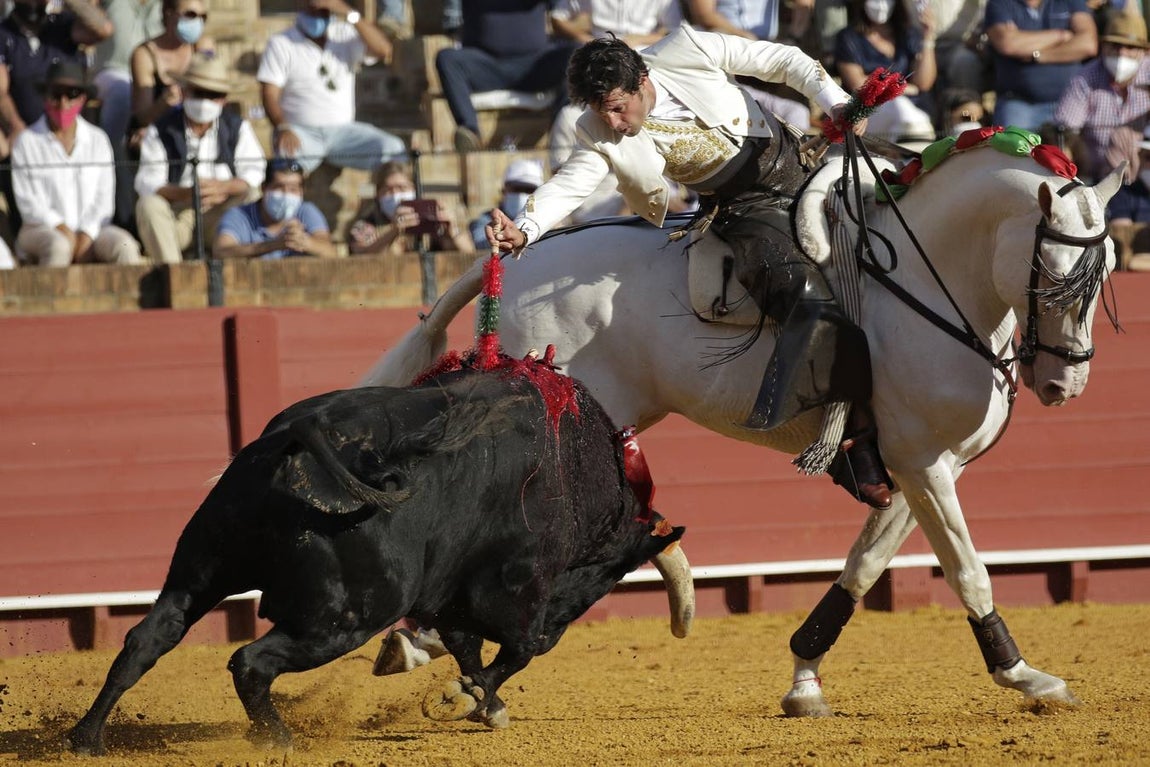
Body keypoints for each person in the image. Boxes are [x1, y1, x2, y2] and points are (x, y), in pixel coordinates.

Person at [486, 30, 894, 510]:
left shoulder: (686, 48)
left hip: (802, 161)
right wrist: (528, 226)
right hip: (746, 208)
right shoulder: (597, 132)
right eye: (603, 113)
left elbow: (781, 59)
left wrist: (834, 100)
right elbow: (576, 181)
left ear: (642, 80)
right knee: (800, 297)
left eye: (619, 107)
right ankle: (854, 443)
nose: (614, 123)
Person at [10, 60, 143, 266]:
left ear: (82, 98)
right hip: (39, 228)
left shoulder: (98, 140)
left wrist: (86, 235)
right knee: (58, 247)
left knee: (125, 247)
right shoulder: (27, 141)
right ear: (45, 96)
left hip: (94, 229)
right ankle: (52, 299)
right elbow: (29, 203)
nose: (63, 103)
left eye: (71, 94)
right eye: (56, 94)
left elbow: (104, 200)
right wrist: (61, 228)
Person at [134, 56, 265, 263]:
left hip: (222, 215)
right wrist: (186, 193)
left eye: (213, 95)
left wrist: (224, 187)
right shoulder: (161, 130)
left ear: (223, 99)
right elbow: (147, 183)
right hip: (178, 216)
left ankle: (238, 274)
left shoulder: (237, 127)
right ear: (184, 92)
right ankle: (175, 277)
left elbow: (254, 172)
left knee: (252, 194)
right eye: (199, 93)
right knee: (148, 205)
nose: (205, 101)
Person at [0, 0, 113, 234]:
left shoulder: (62, 25)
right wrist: (16, 127)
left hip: (68, 132)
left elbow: (103, 29)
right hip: (23, 134)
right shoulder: (4, 33)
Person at [258, 0, 406, 175]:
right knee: (286, 161)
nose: (319, 16)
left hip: (344, 133)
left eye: (325, 11)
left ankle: (389, 197)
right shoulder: (281, 42)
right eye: (313, 10)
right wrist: (283, 127)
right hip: (302, 133)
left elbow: (384, 50)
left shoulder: (344, 33)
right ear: (301, 6)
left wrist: (349, 13)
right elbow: (269, 93)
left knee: (394, 149)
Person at [436, 0, 579, 153]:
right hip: (486, 65)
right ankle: (470, 131)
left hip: (534, 65)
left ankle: (560, 128)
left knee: (575, 55)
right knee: (447, 59)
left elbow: (561, 9)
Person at [687, 0, 818, 129]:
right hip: (723, 45)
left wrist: (794, 36)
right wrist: (744, 37)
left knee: (794, 76)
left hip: (766, 47)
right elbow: (704, 15)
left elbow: (804, 3)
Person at [1055, 11, 1150, 184]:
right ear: (1102, 46)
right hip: (1096, 177)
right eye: (1115, 45)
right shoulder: (1084, 78)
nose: (1122, 53)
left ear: (1145, 51)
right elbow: (1065, 131)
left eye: (1130, 47)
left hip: (1145, 179)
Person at [984, 0, 1097, 131]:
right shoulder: (1000, 3)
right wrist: (1060, 35)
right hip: (1018, 103)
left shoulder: (1070, 2)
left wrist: (1037, 56)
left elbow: (1088, 44)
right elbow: (1008, 43)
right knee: (1012, 148)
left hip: (1070, 102)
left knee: (1067, 149)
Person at [833, 0, 938, 142]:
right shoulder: (848, 37)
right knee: (900, 109)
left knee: (908, 117)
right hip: (870, 111)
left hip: (914, 110)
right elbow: (858, 84)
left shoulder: (908, 34)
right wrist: (903, 87)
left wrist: (928, 36)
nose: (881, 3)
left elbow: (924, 83)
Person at [128, 0, 216, 144]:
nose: (197, 22)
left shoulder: (203, 47)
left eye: (203, 17)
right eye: (190, 14)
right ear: (169, 13)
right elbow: (142, 118)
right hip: (160, 134)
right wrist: (164, 102)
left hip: (196, 131)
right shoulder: (144, 55)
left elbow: (214, 95)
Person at [212, 158, 336, 260]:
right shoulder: (238, 215)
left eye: (293, 189)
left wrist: (305, 242)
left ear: (302, 191)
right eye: (279, 187)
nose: (286, 194)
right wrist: (273, 245)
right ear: (264, 188)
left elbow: (330, 251)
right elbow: (222, 251)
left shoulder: (306, 211)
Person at [347, 160, 474, 255]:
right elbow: (362, 260)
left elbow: (469, 256)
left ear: (414, 189)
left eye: (402, 188)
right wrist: (393, 231)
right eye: (388, 190)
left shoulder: (429, 219)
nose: (396, 195)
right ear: (378, 194)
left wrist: (451, 231)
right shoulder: (365, 226)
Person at [469, 157, 544, 249]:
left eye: (529, 190)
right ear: (504, 190)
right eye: (517, 189)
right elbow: (479, 246)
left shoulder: (547, 222)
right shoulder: (486, 221)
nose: (522, 194)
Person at [550, 0, 682, 48]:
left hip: (643, 52)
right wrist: (583, 38)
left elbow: (675, 32)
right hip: (597, 49)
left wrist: (640, 39)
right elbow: (558, 18)